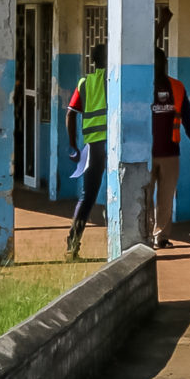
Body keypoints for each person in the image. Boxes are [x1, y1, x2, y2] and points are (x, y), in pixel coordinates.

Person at [147, 49, 190, 249]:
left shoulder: (177, 87)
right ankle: (144, 236)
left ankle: (160, 237)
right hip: (145, 154)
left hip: (170, 153)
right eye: (154, 62)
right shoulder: (142, 86)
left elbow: (188, 119)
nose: (157, 65)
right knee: (144, 197)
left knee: (166, 197)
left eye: (160, 61)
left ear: (166, 63)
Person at [65, 44, 109, 258]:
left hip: (91, 146)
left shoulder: (84, 82)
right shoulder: (112, 78)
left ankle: (72, 243)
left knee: (88, 196)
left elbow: (70, 114)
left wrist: (73, 145)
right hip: (110, 144)